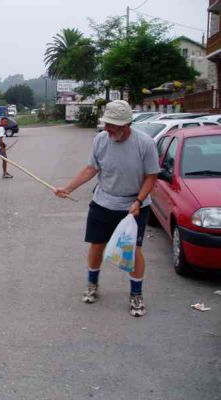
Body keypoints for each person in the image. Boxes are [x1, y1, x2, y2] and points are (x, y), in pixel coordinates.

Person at [53, 100, 160, 317]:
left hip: (134, 206)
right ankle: (92, 284)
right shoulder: (101, 140)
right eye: (107, 123)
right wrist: (68, 188)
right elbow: (91, 169)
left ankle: (136, 295)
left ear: (127, 125)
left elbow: (151, 176)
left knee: (133, 251)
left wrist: (138, 201)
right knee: (96, 245)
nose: (108, 129)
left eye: (113, 125)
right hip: (103, 202)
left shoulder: (145, 143)